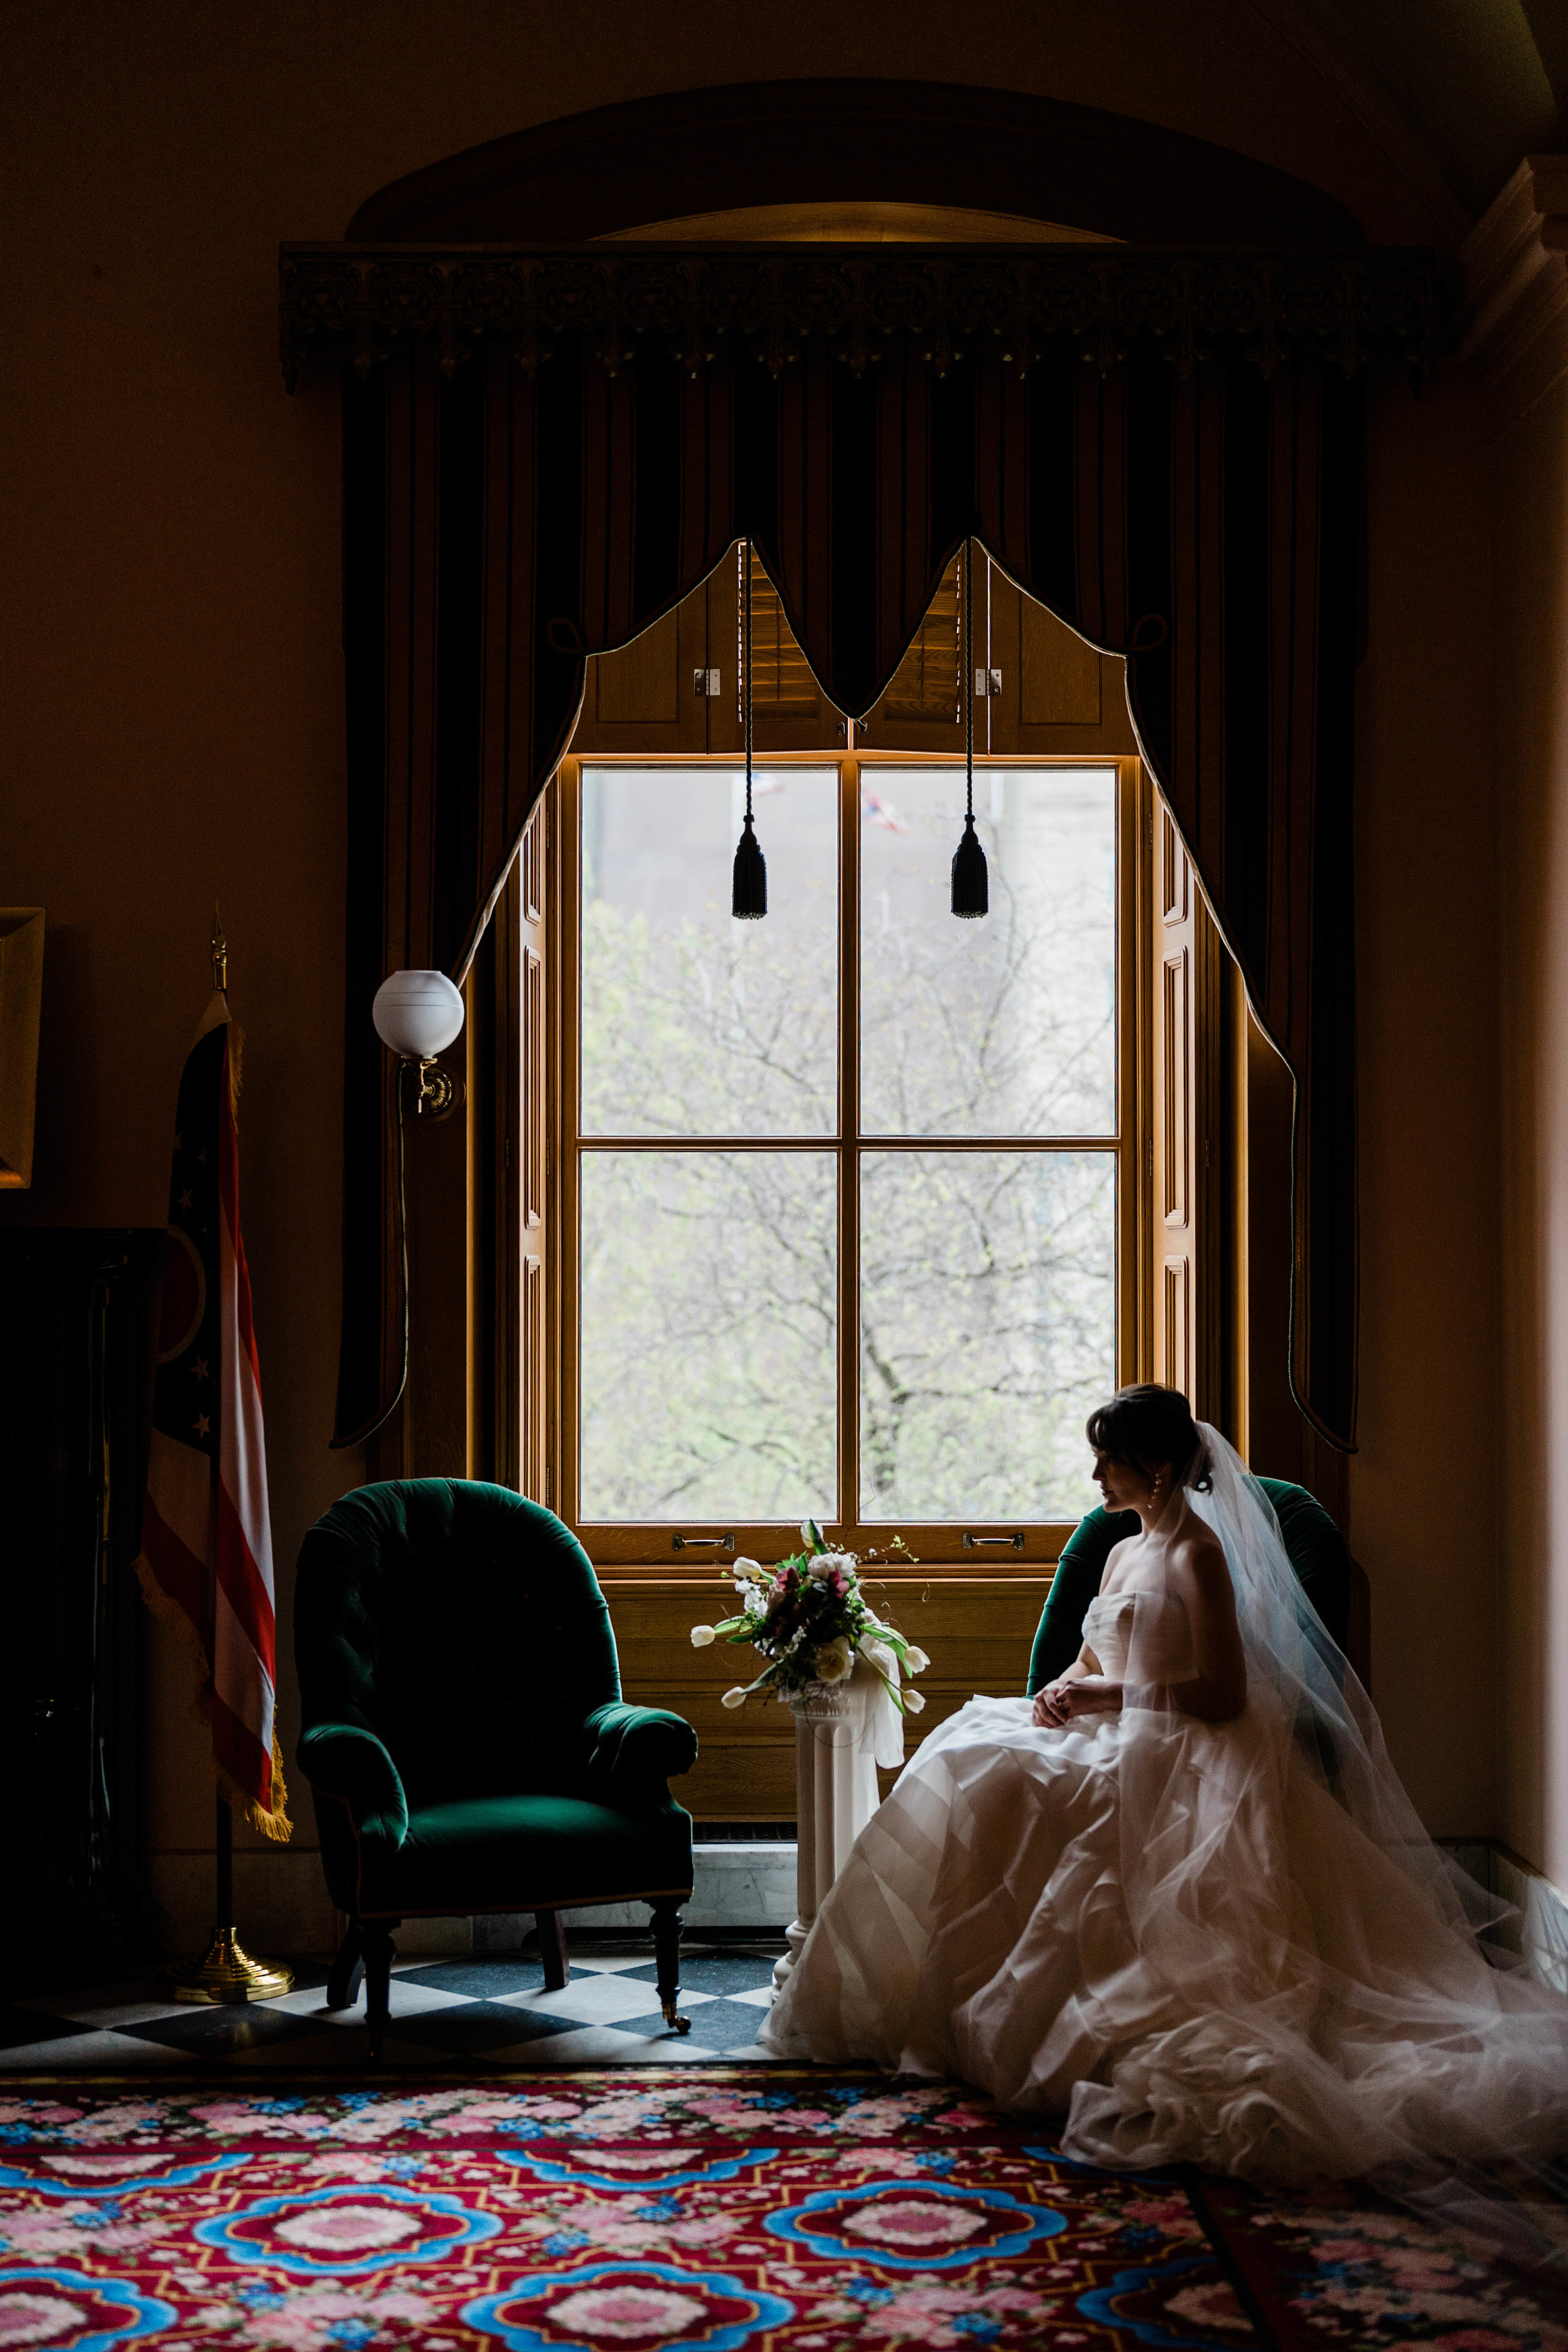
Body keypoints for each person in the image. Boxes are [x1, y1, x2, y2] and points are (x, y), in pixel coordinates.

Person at [762, 1385, 1568, 2233]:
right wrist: (1062, 1692)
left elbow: (1222, 1694)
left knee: (1009, 1779)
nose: (1096, 1474)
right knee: (969, 1750)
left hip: (1187, 1750)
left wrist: (1105, 1699)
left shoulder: (1200, 1557)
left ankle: (1034, 2005)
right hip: (1110, 1726)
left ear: (1152, 1465)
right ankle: (917, 1990)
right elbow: (1087, 1652)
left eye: (1107, 1459)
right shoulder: (1120, 1550)